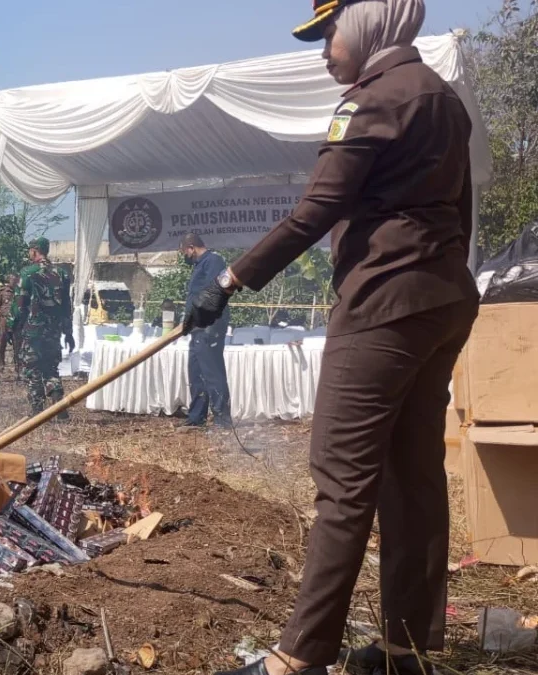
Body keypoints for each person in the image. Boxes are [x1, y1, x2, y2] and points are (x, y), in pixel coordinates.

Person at [187, 3, 478, 675]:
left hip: (382, 306)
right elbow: (460, 212)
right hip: (441, 302)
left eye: (328, 33)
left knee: (343, 480)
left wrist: (227, 281)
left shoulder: (370, 102)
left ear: (368, 22)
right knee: (413, 476)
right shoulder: (442, 97)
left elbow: (315, 210)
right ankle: (406, 649)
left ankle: (298, 657)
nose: (324, 50)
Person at [15, 238, 74, 417]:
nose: (29, 253)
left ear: (34, 251)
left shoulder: (27, 273)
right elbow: (66, 307)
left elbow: (20, 305)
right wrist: (69, 333)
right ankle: (58, 405)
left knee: (32, 369)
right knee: (51, 368)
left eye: (30, 250)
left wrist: (14, 328)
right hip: (53, 331)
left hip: (33, 331)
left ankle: (37, 410)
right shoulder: (62, 274)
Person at [180, 234, 233, 430]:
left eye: (184, 251)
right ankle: (196, 417)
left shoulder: (213, 261)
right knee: (196, 372)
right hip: (196, 327)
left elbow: (215, 293)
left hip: (210, 326)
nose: (184, 255)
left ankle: (222, 419)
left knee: (212, 372)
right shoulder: (199, 265)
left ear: (191, 247)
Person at [0, 273, 19, 373]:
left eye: (16, 280)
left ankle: (18, 368)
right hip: (4, 320)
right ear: (9, 280)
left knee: (17, 345)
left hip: (16, 321)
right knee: (1, 343)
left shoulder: (18, 292)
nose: (15, 281)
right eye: (13, 280)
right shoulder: (2, 292)